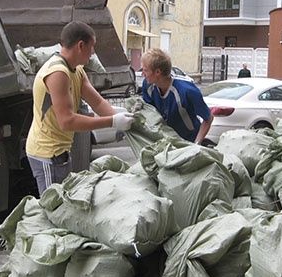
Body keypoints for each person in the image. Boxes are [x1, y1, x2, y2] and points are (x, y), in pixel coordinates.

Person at [26, 21, 134, 196]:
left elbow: (97, 103)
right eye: (92, 47)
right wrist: (113, 121)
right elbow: (67, 121)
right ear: (81, 46)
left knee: (64, 204)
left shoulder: (77, 70)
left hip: (60, 151)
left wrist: (123, 120)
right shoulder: (58, 73)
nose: (92, 54)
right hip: (47, 153)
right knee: (53, 209)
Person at [141, 48, 213, 144]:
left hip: (189, 140)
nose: (142, 74)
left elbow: (208, 118)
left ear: (157, 72)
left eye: (145, 70)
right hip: (166, 141)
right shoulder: (148, 85)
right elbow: (150, 114)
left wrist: (196, 144)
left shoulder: (187, 90)